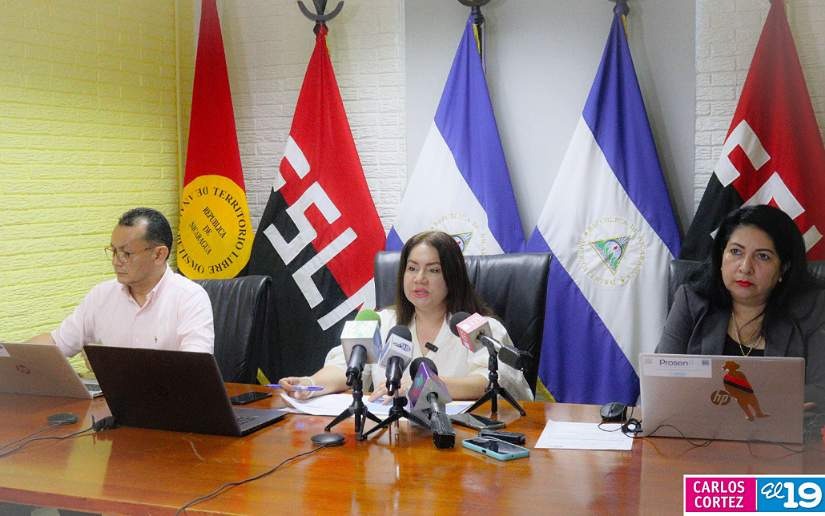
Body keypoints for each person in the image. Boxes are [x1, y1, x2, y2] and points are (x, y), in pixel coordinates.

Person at [278, 230, 533, 402]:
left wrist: (421, 386)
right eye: (412, 268)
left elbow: (491, 382)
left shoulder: (479, 327)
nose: (419, 278)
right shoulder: (382, 322)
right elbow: (345, 367)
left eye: (433, 270)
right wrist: (309, 383)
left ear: (452, 276)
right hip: (390, 439)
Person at [657, 204, 825, 414]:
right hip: (698, 426)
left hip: (777, 430)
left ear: (784, 267)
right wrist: (767, 399)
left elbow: (820, 390)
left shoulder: (813, 309)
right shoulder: (691, 300)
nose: (745, 267)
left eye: (762, 256)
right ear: (721, 257)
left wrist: (739, 400)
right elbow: (660, 378)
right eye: (736, 252)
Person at [28, 207, 214, 357]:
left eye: (126, 253)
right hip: (113, 393)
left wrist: (111, 367)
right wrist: (13, 356)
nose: (116, 261)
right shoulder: (102, 295)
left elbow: (195, 369)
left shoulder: (190, 298)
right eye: (114, 251)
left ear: (159, 254)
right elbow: (57, 342)